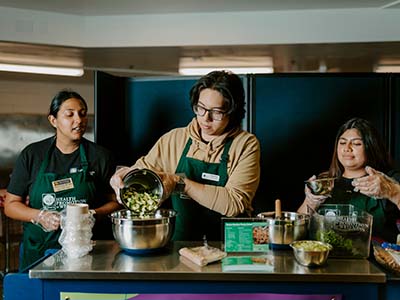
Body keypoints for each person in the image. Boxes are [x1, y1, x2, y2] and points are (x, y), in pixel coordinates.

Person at [110, 70, 261, 241]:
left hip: (232, 244)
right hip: (183, 244)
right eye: (200, 108)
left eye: (216, 112)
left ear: (232, 112)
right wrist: (122, 177)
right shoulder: (175, 139)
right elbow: (143, 172)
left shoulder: (246, 144)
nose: (206, 118)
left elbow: (234, 203)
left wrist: (178, 183)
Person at [5, 90, 122, 270]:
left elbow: (116, 202)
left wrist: (92, 214)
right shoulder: (32, 155)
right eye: (70, 114)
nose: (79, 120)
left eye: (82, 114)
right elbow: (11, 205)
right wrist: (40, 216)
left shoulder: (100, 157)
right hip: (40, 252)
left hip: (86, 254)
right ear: (53, 120)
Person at [298, 117, 400, 242]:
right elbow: (298, 228)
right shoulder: (324, 181)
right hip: (326, 257)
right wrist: (310, 202)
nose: (347, 148)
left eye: (356, 143)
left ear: (371, 147)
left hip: (376, 258)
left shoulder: (388, 180)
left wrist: (393, 191)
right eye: (342, 143)